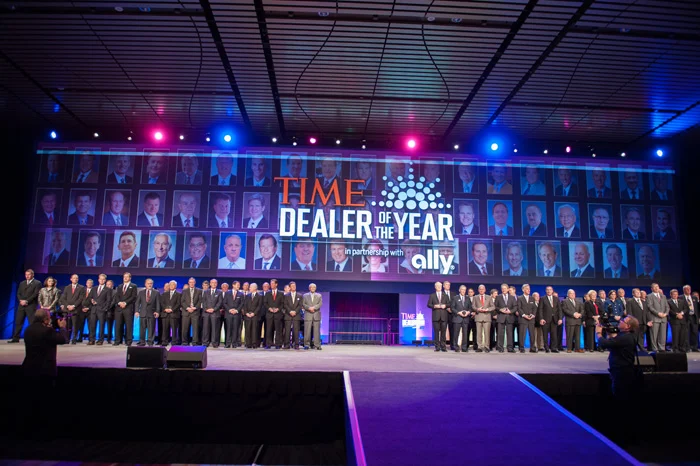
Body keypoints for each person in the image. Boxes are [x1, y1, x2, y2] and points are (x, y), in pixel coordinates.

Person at [596, 316, 642, 399]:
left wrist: (598, 333)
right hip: (620, 370)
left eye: (623, 321)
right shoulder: (625, 335)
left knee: (620, 395)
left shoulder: (626, 338)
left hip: (622, 372)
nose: (620, 321)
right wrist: (610, 335)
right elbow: (613, 345)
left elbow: (604, 344)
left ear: (628, 326)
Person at [22, 309, 68, 383]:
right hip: (44, 369)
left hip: (29, 367)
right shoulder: (47, 331)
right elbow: (62, 340)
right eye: (49, 318)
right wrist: (62, 328)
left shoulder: (28, 329)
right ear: (45, 319)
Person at [8, 270, 42, 344]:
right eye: (26, 274)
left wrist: (27, 301)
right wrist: (21, 300)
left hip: (31, 305)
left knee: (32, 322)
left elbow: (35, 294)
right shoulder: (22, 283)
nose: (27, 276)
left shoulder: (37, 283)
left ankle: (34, 339)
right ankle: (15, 338)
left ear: (32, 275)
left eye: (29, 274)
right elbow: (18, 293)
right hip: (21, 305)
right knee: (18, 321)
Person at [113, 273, 137, 346]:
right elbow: (117, 296)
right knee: (118, 325)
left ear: (130, 278)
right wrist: (119, 303)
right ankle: (117, 340)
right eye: (124, 277)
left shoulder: (133, 286)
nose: (125, 278)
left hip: (128, 308)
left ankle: (128, 341)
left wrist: (125, 303)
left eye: (127, 277)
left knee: (128, 325)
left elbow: (133, 297)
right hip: (119, 308)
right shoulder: (120, 286)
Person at [58, 274, 83, 344]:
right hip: (67, 309)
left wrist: (74, 306)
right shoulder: (67, 287)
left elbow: (80, 298)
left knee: (75, 325)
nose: (75, 279)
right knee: (68, 325)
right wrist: (67, 305)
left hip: (76, 309)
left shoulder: (81, 288)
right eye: (74, 278)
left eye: (77, 278)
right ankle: (67, 339)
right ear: (71, 279)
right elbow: (63, 298)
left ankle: (74, 339)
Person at [87, 274, 111, 346]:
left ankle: (100, 340)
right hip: (94, 309)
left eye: (103, 279)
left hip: (102, 310)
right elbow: (90, 297)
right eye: (100, 279)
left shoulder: (107, 289)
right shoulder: (94, 288)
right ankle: (92, 340)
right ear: (98, 280)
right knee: (92, 325)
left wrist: (104, 309)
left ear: (105, 280)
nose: (102, 280)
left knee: (101, 326)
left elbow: (108, 300)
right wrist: (91, 300)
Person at [135, 279, 160, 346]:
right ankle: (142, 342)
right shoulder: (141, 292)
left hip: (151, 313)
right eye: (148, 283)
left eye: (151, 283)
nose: (150, 285)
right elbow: (137, 303)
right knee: (142, 329)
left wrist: (157, 311)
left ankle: (150, 342)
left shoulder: (156, 292)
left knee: (151, 329)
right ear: (145, 284)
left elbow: (158, 303)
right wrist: (137, 311)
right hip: (143, 313)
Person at [427, 281, 449, 352]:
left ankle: (443, 347)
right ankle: (437, 347)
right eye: (437, 286)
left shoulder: (445, 295)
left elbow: (449, 304)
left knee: (443, 332)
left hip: (444, 316)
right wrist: (434, 306)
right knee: (436, 332)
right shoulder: (432, 295)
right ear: (435, 287)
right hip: (436, 316)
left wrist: (445, 305)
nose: (439, 287)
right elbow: (428, 304)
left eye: (440, 286)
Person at [538, 286, 562, 353]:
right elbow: (540, 309)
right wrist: (541, 318)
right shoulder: (542, 298)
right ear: (546, 291)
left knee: (554, 335)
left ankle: (554, 348)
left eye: (550, 290)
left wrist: (560, 318)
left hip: (554, 319)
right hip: (545, 319)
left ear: (552, 291)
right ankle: (546, 348)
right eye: (547, 290)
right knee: (545, 334)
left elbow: (559, 309)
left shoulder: (556, 299)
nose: (549, 291)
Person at [494, 283, 517, 353]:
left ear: (508, 289)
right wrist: (500, 310)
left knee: (510, 334)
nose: (503, 290)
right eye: (502, 289)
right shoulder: (498, 297)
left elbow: (515, 307)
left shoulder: (512, 297)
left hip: (510, 317)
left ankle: (510, 348)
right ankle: (500, 348)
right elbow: (495, 306)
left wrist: (510, 311)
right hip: (501, 317)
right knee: (500, 334)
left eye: (505, 288)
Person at [646, 283, 669, 352]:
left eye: (657, 286)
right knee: (654, 335)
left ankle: (662, 348)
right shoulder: (649, 296)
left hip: (663, 318)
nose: (656, 288)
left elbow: (667, 307)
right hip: (655, 318)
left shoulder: (663, 296)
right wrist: (658, 313)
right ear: (652, 289)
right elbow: (650, 307)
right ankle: (655, 349)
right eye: (654, 287)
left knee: (662, 335)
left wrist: (665, 314)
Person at [516, 284, 537, 353]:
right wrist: (524, 315)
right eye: (527, 289)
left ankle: (532, 348)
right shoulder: (520, 298)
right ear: (523, 290)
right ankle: (522, 348)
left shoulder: (532, 298)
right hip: (523, 319)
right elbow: (519, 308)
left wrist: (533, 315)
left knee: (532, 334)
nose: (529, 290)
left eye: (529, 289)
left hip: (531, 319)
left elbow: (534, 308)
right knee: (522, 334)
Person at [264, 279, 285, 349]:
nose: (271, 285)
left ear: (276, 284)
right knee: (269, 329)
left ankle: (278, 344)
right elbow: (265, 303)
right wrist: (269, 308)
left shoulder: (281, 293)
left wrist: (278, 309)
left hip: (278, 314)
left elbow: (282, 303)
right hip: (269, 314)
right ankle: (268, 344)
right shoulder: (267, 293)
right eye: (271, 284)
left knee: (278, 330)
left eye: (273, 283)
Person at [201, 278, 222, 348]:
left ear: (217, 284)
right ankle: (205, 342)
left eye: (215, 283)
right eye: (212, 282)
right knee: (206, 328)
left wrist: (214, 309)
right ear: (210, 284)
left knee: (215, 329)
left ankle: (214, 343)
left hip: (215, 313)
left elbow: (220, 302)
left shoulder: (219, 292)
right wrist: (206, 309)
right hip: (206, 313)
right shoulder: (206, 292)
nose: (214, 284)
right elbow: (203, 301)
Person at [473, 284, 494, 352]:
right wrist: (477, 309)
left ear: (485, 290)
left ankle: (487, 347)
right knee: (478, 334)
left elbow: (493, 306)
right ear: (478, 290)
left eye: (482, 289)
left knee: (487, 333)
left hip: (487, 317)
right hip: (478, 317)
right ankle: (479, 347)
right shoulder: (475, 297)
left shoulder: (489, 297)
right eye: (480, 289)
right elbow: (473, 306)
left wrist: (487, 309)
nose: (481, 290)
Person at [181, 277, 202, 346]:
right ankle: (184, 342)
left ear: (195, 283)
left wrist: (195, 307)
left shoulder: (199, 291)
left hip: (195, 312)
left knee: (195, 329)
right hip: (186, 312)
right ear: (188, 283)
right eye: (190, 282)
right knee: (185, 328)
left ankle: (194, 342)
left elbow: (200, 301)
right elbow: (182, 301)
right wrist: (187, 308)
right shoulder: (184, 291)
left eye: (193, 282)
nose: (192, 283)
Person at [450, 285, 472, 353]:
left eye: (464, 290)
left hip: (465, 319)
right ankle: (456, 347)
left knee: (465, 334)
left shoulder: (468, 298)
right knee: (456, 334)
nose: (463, 291)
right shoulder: (455, 298)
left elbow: (470, 308)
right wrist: (458, 312)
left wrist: (468, 312)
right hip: (457, 318)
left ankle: (464, 347)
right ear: (459, 290)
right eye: (462, 289)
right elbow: (452, 308)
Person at [160, 280, 181, 346]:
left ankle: (174, 341)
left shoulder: (179, 294)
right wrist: (165, 309)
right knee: (165, 329)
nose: (171, 286)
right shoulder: (164, 294)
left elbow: (178, 304)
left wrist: (172, 309)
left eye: (173, 284)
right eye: (170, 285)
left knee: (174, 329)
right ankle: (165, 341)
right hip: (165, 314)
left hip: (174, 314)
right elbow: (162, 303)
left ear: (175, 286)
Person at [668, 289, 689, 353]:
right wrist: (676, 314)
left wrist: (681, 313)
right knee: (675, 335)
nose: (675, 295)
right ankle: (675, 348)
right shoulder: (668, 301)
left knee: (682, 335)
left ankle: (681, 347)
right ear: (671, 295)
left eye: (676, 294)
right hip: (674, 320)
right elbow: (669, 310)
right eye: (674, 294)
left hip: (682, 320)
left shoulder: (682, 301)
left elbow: (686, 308)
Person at [222, 281, 243, 348]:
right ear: (233, 285)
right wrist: (229, 310)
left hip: (237, 314)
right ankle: (228, 343)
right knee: (228, 329)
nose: (238, 286)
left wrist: (237, 310)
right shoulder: (227, 293)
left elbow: (242, 303)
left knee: (235, 329)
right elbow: (224, 303)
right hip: (228, 314)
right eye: (237, 285)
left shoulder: (241, 294)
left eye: (239, 285)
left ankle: (234, 343)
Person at [302, 283, 323, 350]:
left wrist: (314, 308)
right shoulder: (305, 295)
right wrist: (309, 308)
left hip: (316, 314)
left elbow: (320, 304)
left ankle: (317, 345)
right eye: (311, 287)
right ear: (309, 288)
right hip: (308, 314)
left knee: (317, 331)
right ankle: (306, 344)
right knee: (307, 331)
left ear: (315, 288)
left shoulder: (319, 295)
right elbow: (303, 304)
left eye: (314, 287)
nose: (312, 288)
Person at [283, 281, 303, 349]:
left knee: (296, 331)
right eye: (292, 286)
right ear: (290, 287)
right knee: (287, 331)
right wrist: (290, 311)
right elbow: (285, 305)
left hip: (296, 315)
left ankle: (296, 345)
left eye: (294, 286)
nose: (294, 287)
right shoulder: (286, 295)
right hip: (288, 315)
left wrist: (295, 311)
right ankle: (287, 345)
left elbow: (300, 305)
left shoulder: (300, 295)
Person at [243, 283, 263, 348]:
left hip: (255, 316)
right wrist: (246, 313)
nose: (249, 288)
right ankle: (248, 344)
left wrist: (254, 313)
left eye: (250, 287)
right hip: (247, 316)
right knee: (247, 330)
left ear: (255, 288)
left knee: (254, 330)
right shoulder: (247, 296)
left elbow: (259, 306)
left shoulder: (259, 296)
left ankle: (254, 344)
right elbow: (245, 305)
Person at [682, 285, 699, 352]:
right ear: (684, 290)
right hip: (686, 317)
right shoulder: (681, 297)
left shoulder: (694, 298)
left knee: (694, 332)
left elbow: (697, 308)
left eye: (689, 289)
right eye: (687, 289)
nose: (689, 290)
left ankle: (694, 347)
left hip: (694, 317)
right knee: (686, 333)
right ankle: (687, 347)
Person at [77, 278, 94, 344]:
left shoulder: (94, 291)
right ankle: (80, 338)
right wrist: (82, 307)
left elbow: (94, 301)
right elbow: (79, 299)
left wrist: (88, 308)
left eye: (90, 283)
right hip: (82, 310)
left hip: (90, 311)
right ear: (86, 283)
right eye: (88, 283)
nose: (89, 284)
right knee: (80, 325)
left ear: (92, 284)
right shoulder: (82, 290)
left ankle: (90, 339)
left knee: (90, 325)